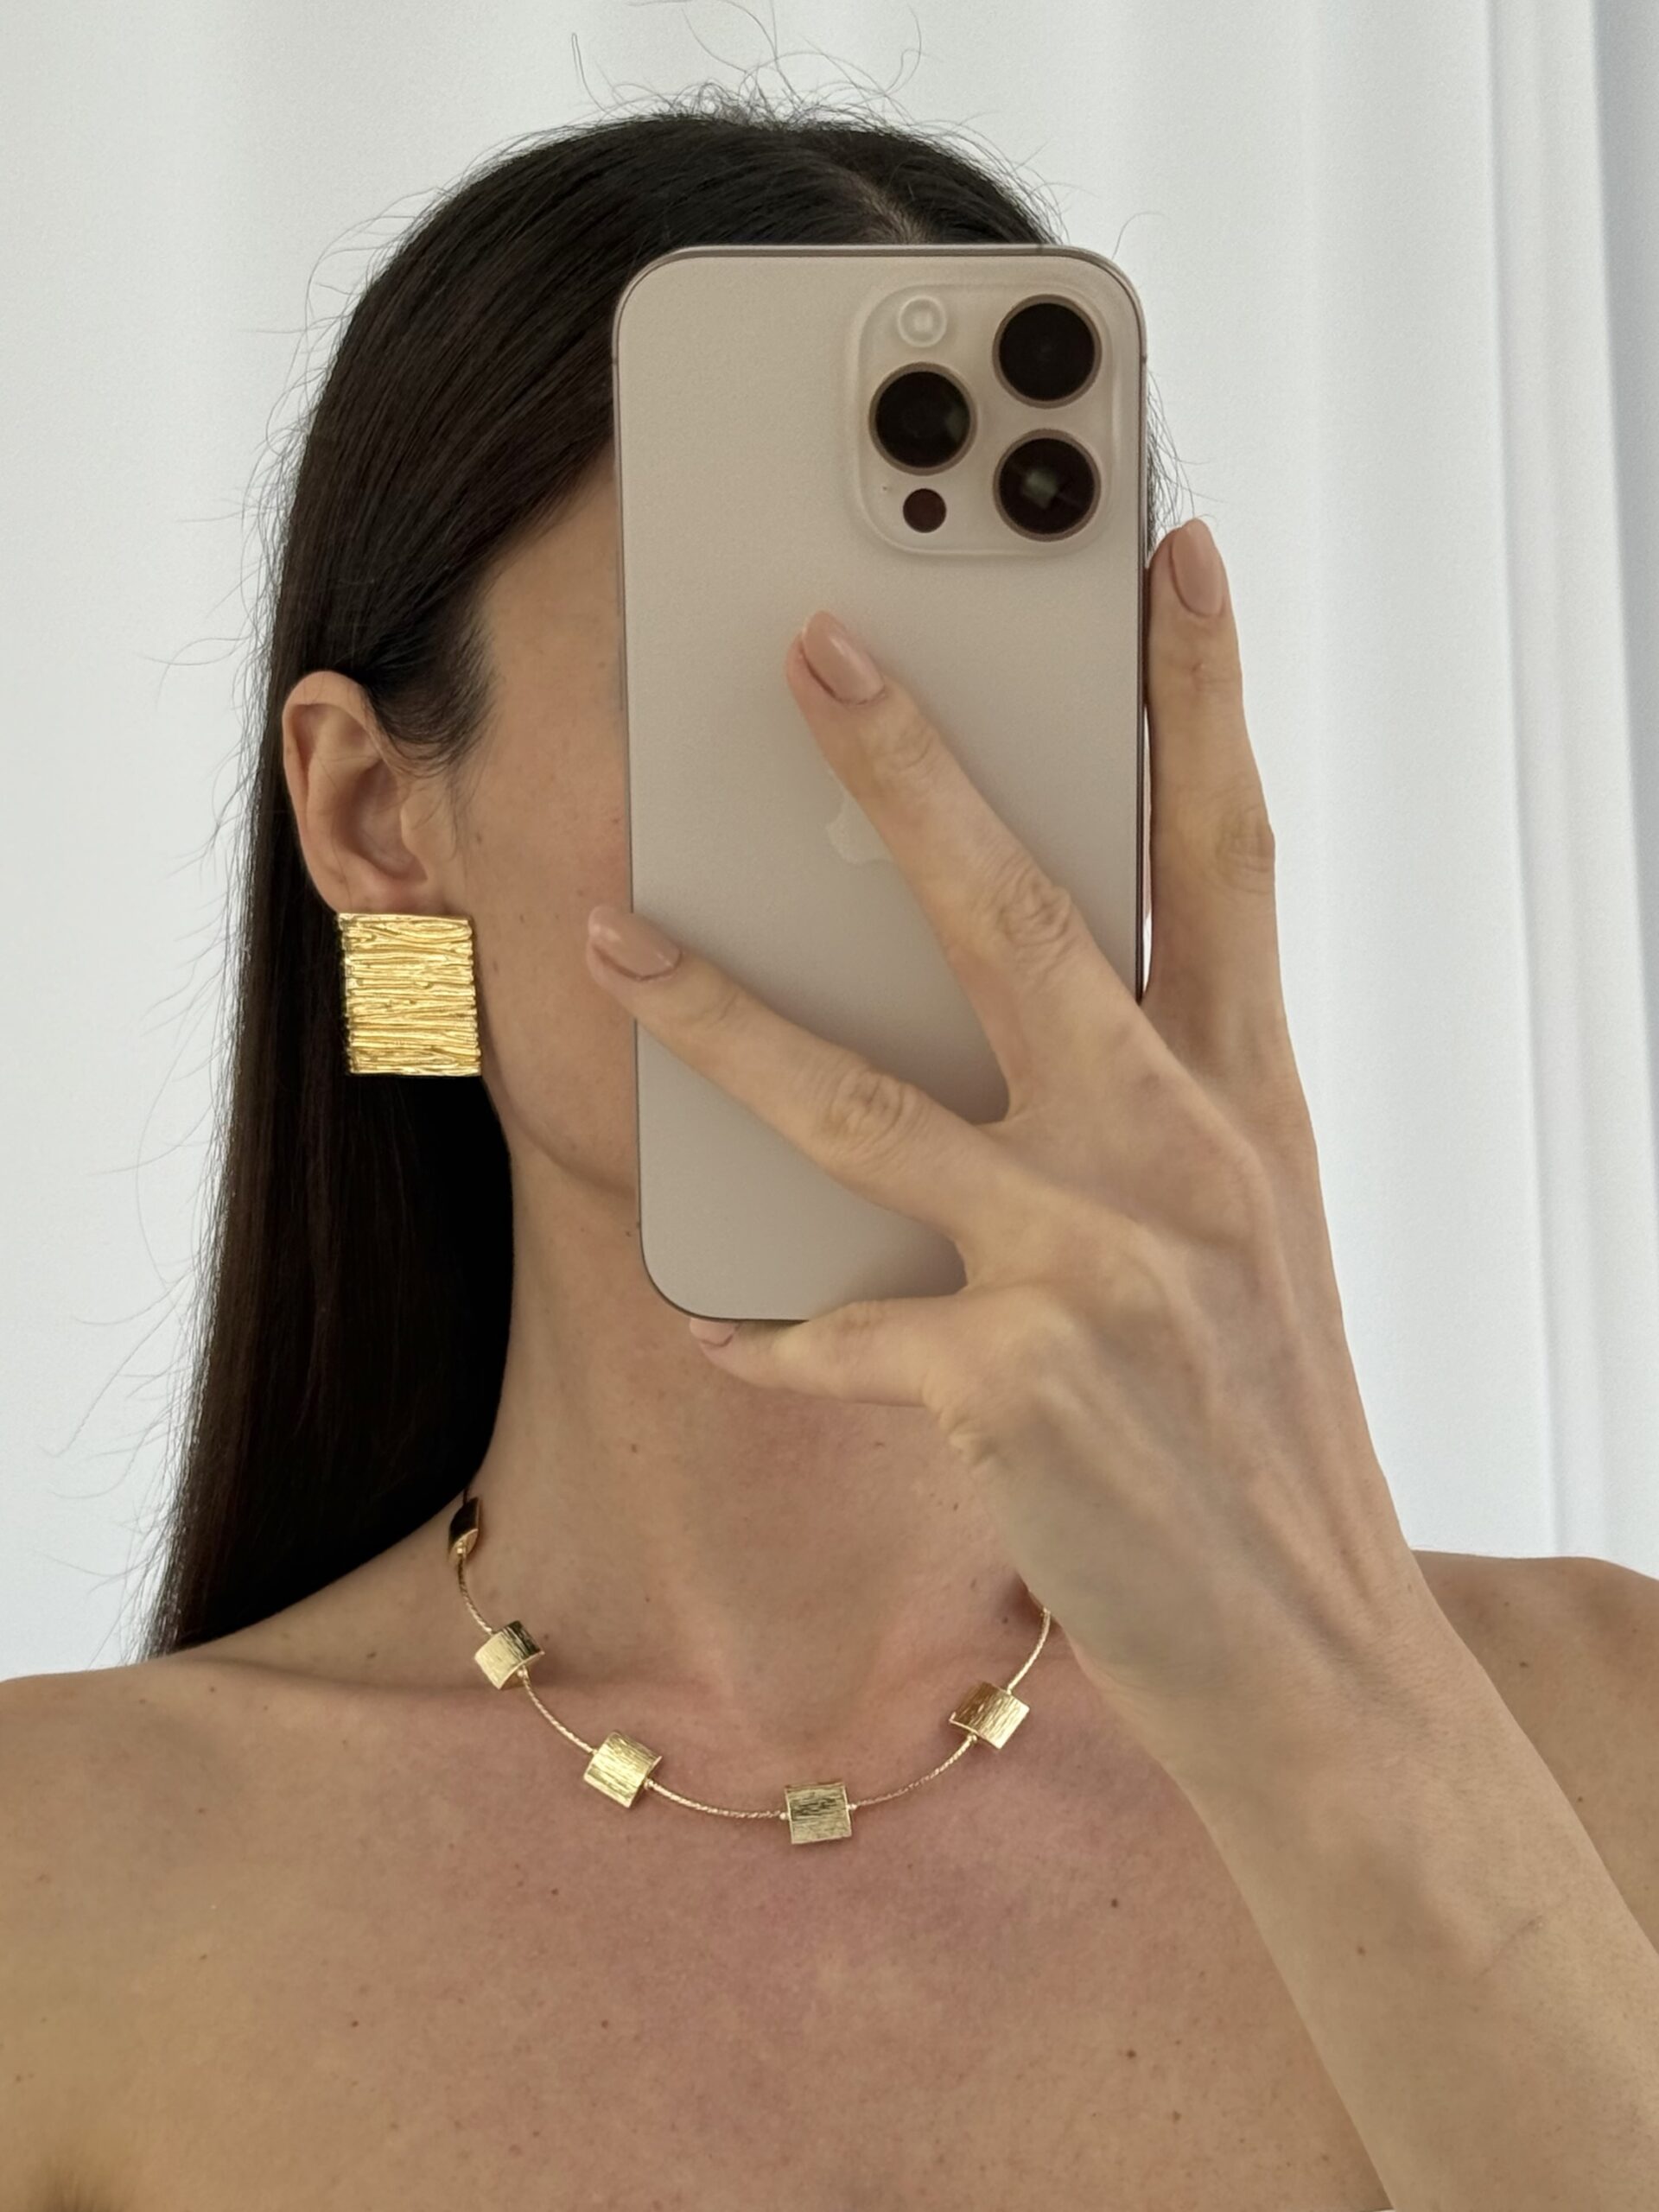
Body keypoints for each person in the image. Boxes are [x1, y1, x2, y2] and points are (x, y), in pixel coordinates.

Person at [4, 92, 1657, 2212]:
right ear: (372, 819)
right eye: (748, 680)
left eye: (993, 691)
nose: (906, 819)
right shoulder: (61, 1898)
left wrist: (1322, 1678)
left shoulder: (1593, 1742)